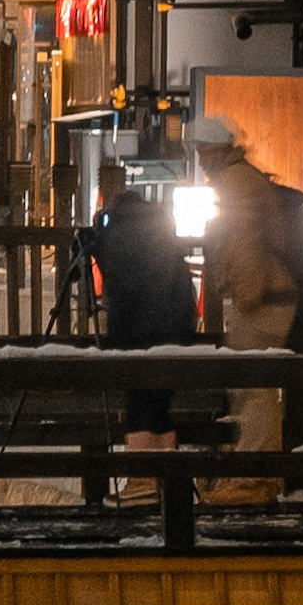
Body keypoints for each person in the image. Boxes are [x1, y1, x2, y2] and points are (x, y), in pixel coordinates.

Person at [199, 124, 303, 457]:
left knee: (252, 383)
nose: (201, 160)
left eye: (203, 150)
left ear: (215, 150)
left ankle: (255, 471)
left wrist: (244, 293)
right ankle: (290, 471)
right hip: (288, 292)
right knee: (283, 386)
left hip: (264, 297)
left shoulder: (237, 182)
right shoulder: (246, 178)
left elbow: (245, 243)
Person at [77, 163, 207, 451]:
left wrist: (116, 340)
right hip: (177, 325)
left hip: (138, 332)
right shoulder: (157, 230)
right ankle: (162, 473)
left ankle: (142, 477)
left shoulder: (118, 235)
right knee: (160, 404)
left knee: (139, 405)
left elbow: (123, 294)